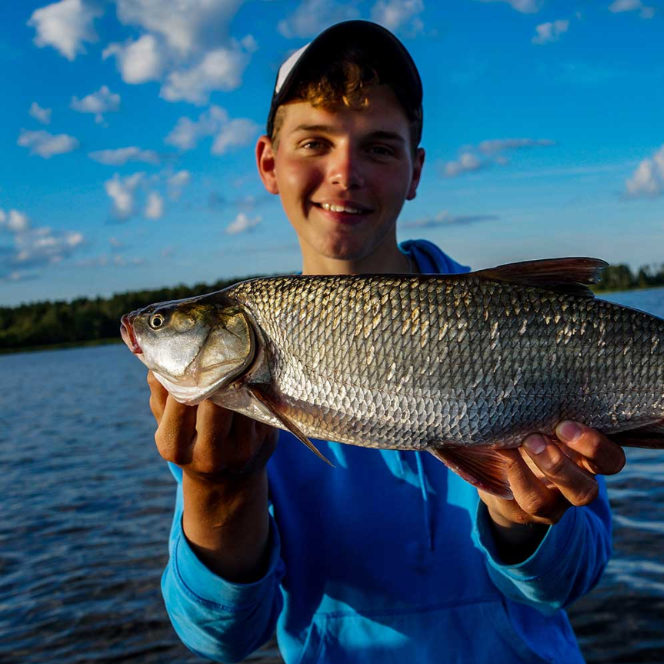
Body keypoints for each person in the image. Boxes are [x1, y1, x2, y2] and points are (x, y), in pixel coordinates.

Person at [147, 20, 626, 664]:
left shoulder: (511, 322)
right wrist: (215, 490)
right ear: (268, 162)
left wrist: (521, 520)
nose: (345, 172)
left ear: (415, 170)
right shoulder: (229, 407)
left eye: (378, 147)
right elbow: (223, 637)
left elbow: (572, 580)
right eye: (315, 141)